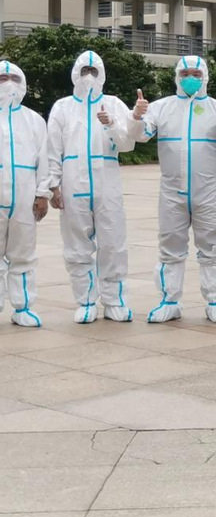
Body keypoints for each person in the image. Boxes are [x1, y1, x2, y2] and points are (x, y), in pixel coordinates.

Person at [128, 56, 216, 323]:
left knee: (212, 246)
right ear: (177, 76)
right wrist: (137, 115)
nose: (190, 78)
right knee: (170, 245)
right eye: (185, 73)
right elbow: (140, 135)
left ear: (205, 77)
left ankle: (214, 301)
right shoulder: (161, 107)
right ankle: (170, 301)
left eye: (196, 74)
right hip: (172, 191)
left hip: (208, 190)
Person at [48, 51, 135, 323]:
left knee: (113, 241)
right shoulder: (62, 107)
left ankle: (114, 300)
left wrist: (112, 125)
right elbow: (53, 150)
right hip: (73, 180)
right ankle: (85, 301)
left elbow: (128, 143)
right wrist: (53, 186)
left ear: (102, 74)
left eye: (93, 71)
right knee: (76, 244)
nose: (88, 76)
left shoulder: (114, 104)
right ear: (75, 73)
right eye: (84, 71)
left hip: (107, 179)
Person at [0, 62, 51, 327]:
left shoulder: (34, 120)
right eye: (2, 78)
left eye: (14, 78)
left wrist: (43, 194)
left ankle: (23, 307)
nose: (8, 83)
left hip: (24, 196)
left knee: (23, 253)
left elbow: (44, 159)